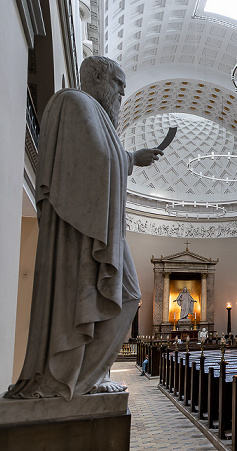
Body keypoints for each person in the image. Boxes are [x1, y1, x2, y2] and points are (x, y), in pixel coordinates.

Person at [6, 56, 163, 400]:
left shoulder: (93, 112)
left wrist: (129, 158)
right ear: (97, 77)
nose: (122, 94)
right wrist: (131, 158)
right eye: (119, 86)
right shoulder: (74, 102)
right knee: (113, 296)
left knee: (127, 296)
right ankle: (70, 378)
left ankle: (84, 376)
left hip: (97, 225)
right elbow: (96, 159)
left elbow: (104, 156)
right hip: (82, 228)